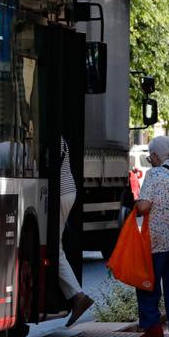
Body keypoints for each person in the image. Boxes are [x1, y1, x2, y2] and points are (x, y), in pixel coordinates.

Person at [133, 136, 169, 337]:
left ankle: (152, 325)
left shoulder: (154, 174)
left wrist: (136, 206)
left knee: (147, 282)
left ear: (155, 156)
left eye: (150, 157)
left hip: (158, 240)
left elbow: (144, 206)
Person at [61, 135, 95, 327]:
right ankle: (76, 295)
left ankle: (77, 296)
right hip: (66, 191)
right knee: (55, 247)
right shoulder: (61, 140)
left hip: (62, 192)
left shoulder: (51, 138)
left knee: (55, 249)